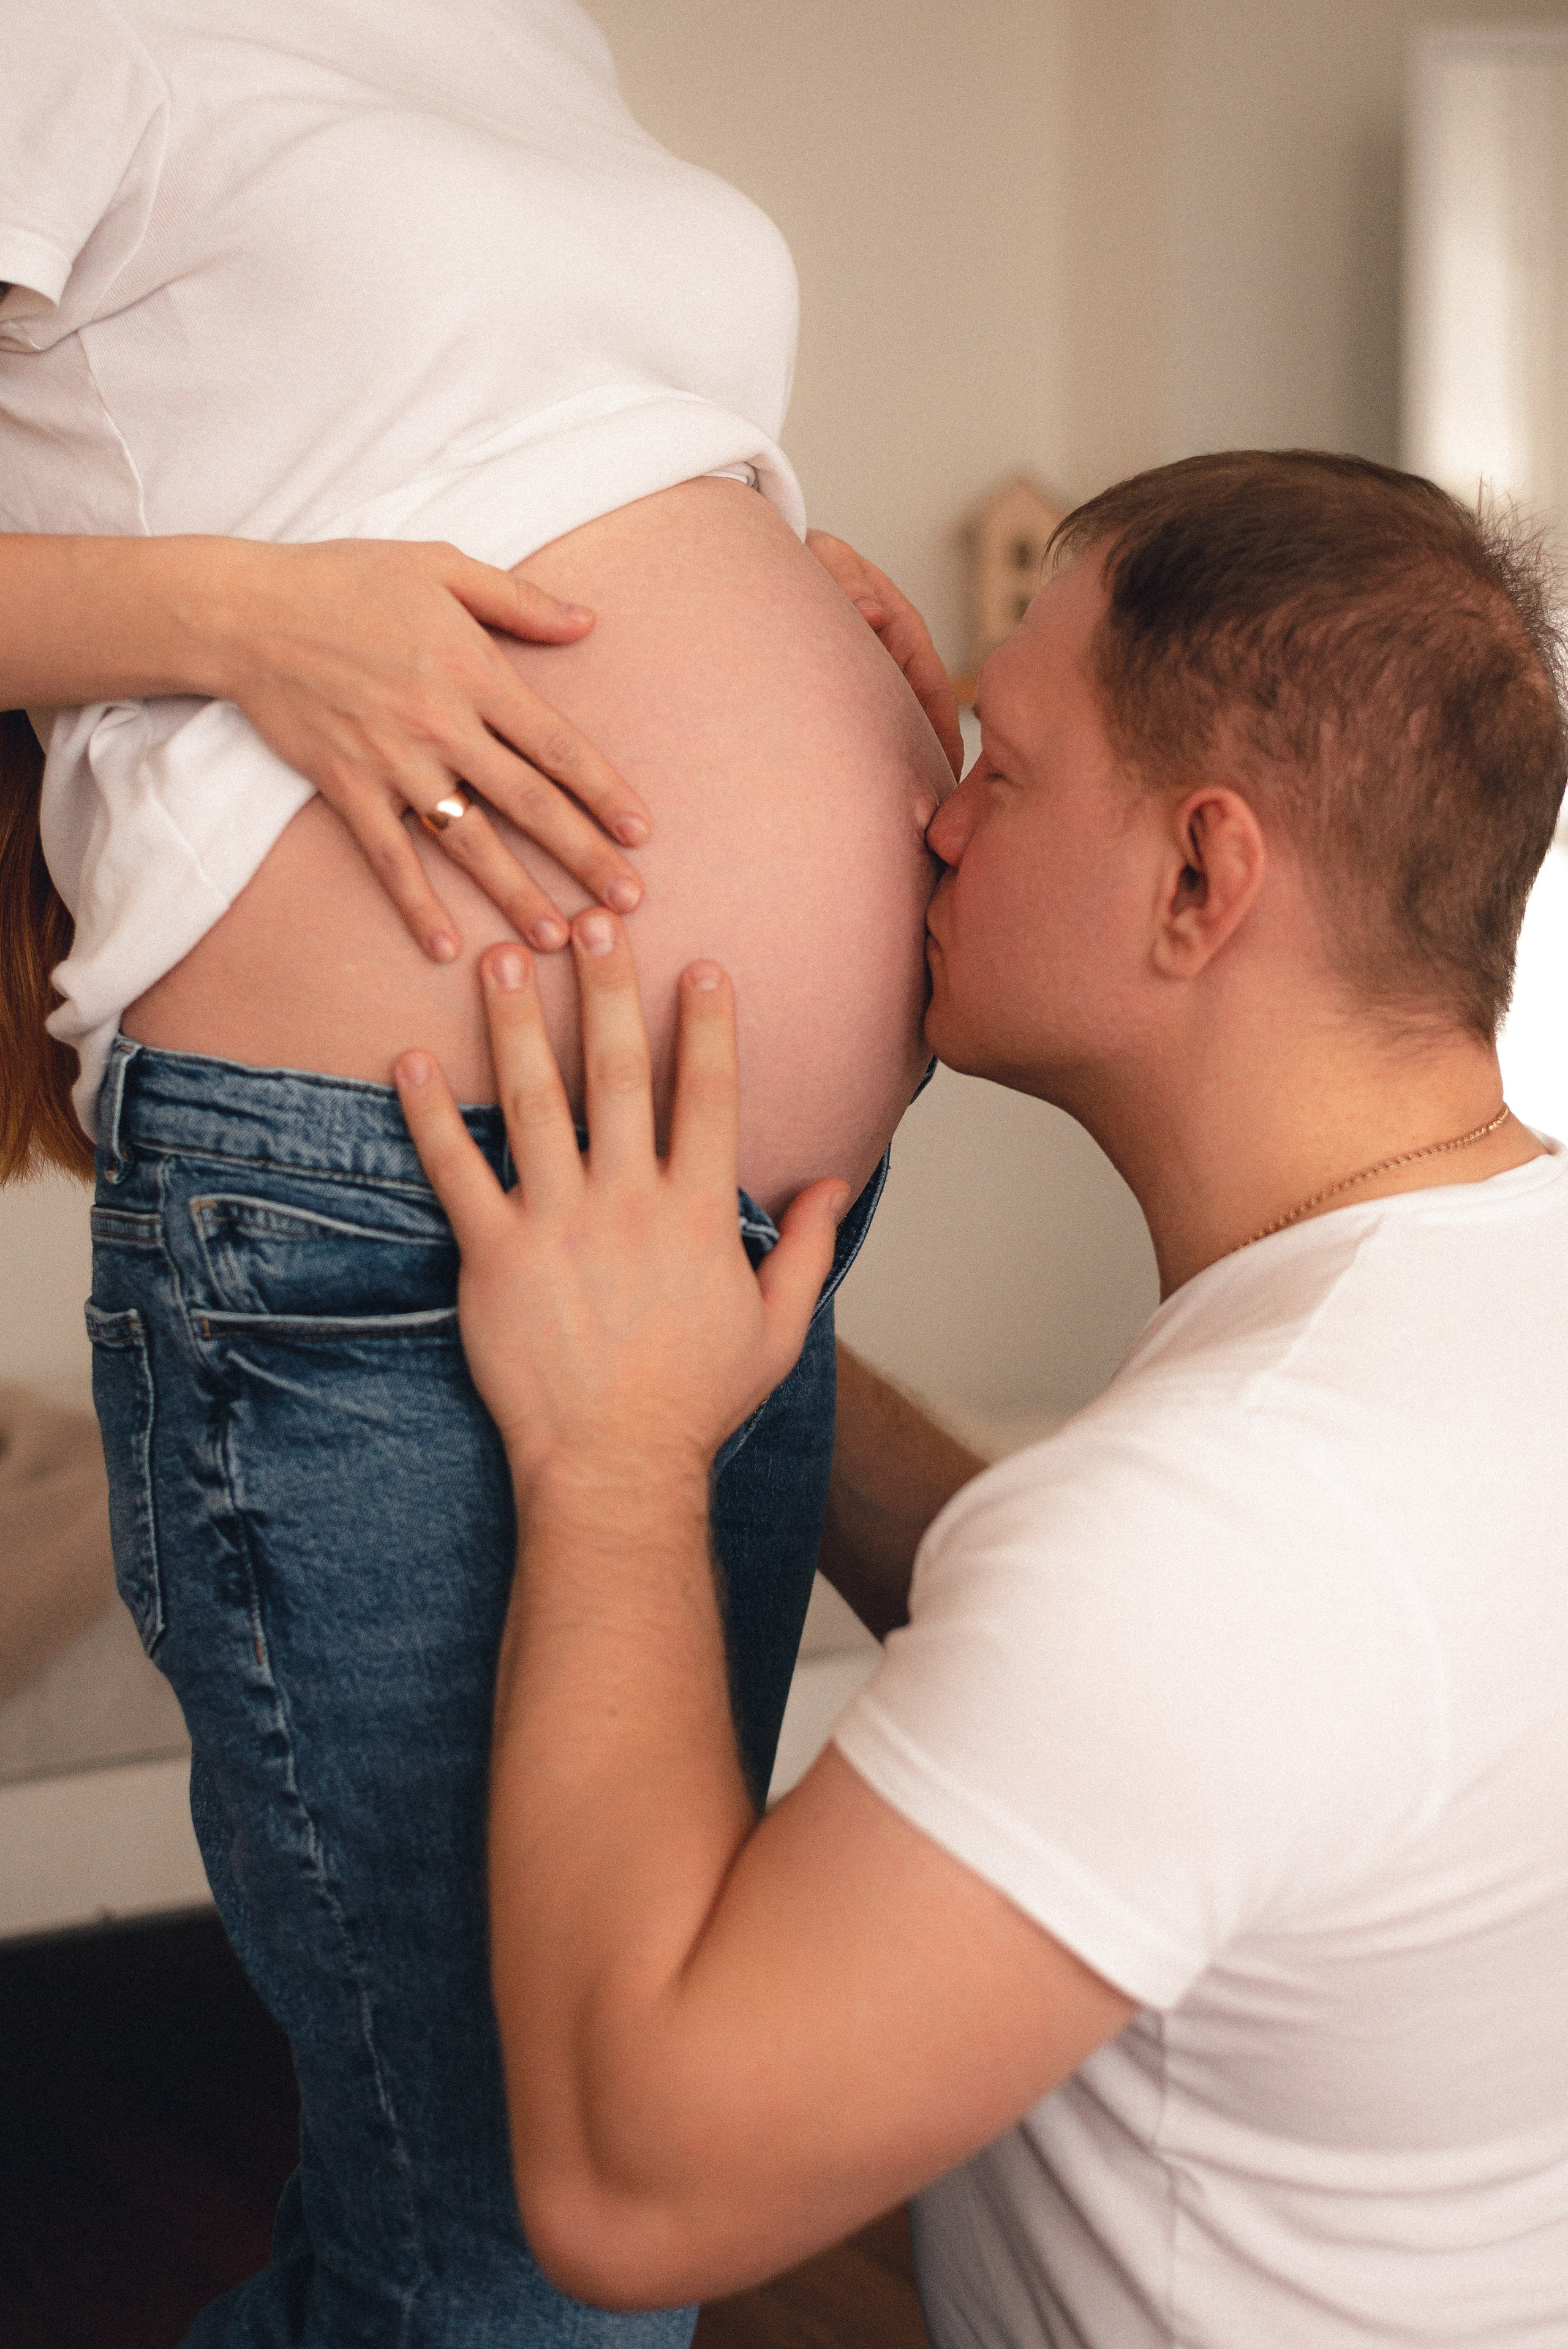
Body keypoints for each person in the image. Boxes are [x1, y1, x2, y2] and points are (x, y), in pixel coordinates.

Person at [0, 4, 958, 2342]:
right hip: (379, 1207)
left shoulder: (524, 19)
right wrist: (253, 619)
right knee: (536, 2240)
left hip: (705, 1217)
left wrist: (794, 589)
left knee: (558, 2182)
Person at [398, 450, 1568, 2347]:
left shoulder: (1235, 1523)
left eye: (999, 769)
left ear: (1199, 875)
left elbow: (633, 2178)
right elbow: (1162, 1692)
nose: (934, 826)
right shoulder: (1461, 1335)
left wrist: (611, 1458)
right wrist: (688, 1325)